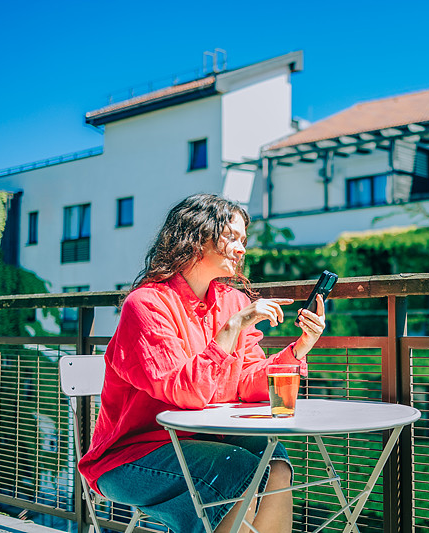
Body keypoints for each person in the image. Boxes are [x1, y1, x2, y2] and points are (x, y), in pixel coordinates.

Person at [78, 193, 326, 533]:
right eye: (232, 238)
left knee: (276, 460)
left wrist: (299, 349)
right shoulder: (146, 305)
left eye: (244, 240)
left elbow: (248, 382)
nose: (241, 249)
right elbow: (185, 393)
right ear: (197, 237)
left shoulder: (232, 301)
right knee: (234, 469)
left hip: (203, 438)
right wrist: (233, 327)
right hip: (132, 456)